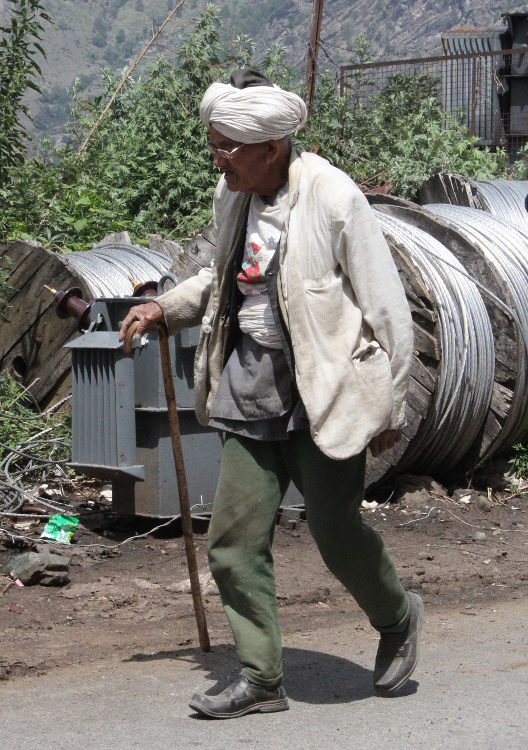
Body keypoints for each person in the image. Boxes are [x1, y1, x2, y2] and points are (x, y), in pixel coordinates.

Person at [119, 68, 423, 720]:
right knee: (232, 540)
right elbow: (216, 276)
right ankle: (261, 678)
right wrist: (161, 309)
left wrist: (393, 404)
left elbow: (388, 305)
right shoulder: (234, 197)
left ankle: (397, 616)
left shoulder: (333, 197)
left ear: (270, 147)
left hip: (322, 392)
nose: (217, 157)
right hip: (248, 384)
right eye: (215, 143)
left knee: (334, 530)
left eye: (228, 145)